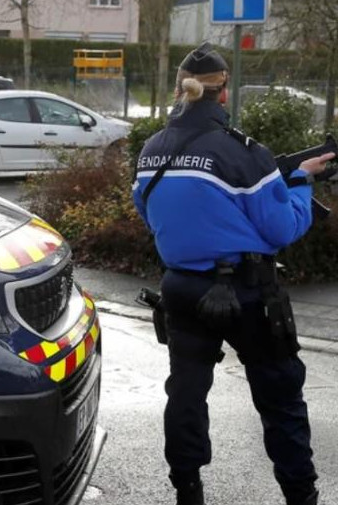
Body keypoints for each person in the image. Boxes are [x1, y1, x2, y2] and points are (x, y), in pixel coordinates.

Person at [132, 42, 335, 505]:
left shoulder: (152, 150)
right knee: (281, 399)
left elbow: (151, 213)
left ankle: (188, 489)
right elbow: (282, 228)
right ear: (224, 94)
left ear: (183, 91)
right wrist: (300, 183)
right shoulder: (243, 152)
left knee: (185, 394)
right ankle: (300, 496)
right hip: (248, 294)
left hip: (181, 289)